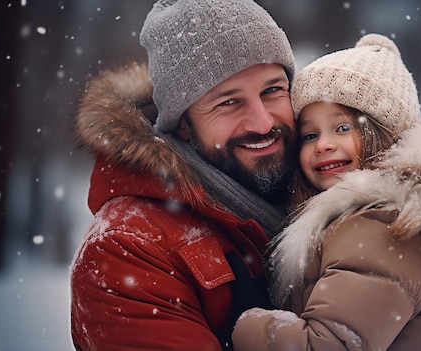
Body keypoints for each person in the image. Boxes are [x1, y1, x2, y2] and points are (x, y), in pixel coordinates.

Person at [231, 33, 421, 351]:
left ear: (384, 135)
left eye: (342, 127)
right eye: (310, 134)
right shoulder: (356, 222)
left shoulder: (386, 226)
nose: (323, 144)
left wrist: (244, 323)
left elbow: (328, 346)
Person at [69, 0, 298, 350]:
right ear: (184, 126)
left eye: (272, 91)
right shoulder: (124, 249)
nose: (264, 122)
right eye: (228, 102)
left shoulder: (327, 182)